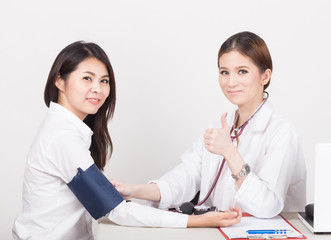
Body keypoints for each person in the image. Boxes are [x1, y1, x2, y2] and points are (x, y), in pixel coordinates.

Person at [12, 41, 242, 240]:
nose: (98, 89)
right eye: (87, 78)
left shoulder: (65, 129)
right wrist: (201, 222)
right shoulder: (63, 138)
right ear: (59, 82)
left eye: (104, 81)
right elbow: (116, 211)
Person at [112, 31, 306, 218]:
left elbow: (268, 205)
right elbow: (183, 179)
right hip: (220, 232)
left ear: (265, 76)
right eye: (224, 72)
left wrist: (230, 152)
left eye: (242, 71)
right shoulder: (219, 128)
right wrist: (133, 190)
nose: (231, 82)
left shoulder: (281, 132)